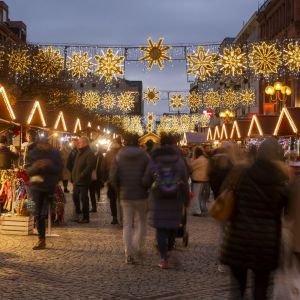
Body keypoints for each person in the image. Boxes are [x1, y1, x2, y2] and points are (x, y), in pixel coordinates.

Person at [220, 138, 290, 299]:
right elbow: (286, 209)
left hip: (240, 238)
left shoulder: (242, 172)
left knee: (238, 287)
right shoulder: (281, 180)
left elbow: (226, 193)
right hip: (266, 242)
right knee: (261, 287)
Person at [143, 134, 189, 269]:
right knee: (173, 225)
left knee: (161, 229)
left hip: (158, 198)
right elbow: (185, 181)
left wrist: (146, 185)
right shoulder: (179, 159)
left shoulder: (155, 158)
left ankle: (164, 258)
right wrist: (186, 199)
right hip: (175, 198)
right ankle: (171, 249)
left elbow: (146, 179)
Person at [110, 133, 149, 264]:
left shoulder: (119, 155)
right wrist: (145, 184)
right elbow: (150, 174)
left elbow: (113, 175)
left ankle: (128, 253)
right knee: (141, 222)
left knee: (127, 224)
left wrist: (119, 188)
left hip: (125, 194)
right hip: (141, 193)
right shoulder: (144, 155)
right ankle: (137, 245)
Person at [26, 135, 63, 250]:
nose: (44, 146)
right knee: (37, 213)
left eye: (46, 144)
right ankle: (41, 239)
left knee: (44, 212)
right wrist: (36, 166)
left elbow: (59, 168)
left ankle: (42, 237)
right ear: (38, 144)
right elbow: (28, 171)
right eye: (42, 144)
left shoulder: (55, 153)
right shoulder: (32, 153)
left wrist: (49, 164)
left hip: (49, 186)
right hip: (36, 187)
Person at [72, 136, 96, 223]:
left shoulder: (89, 153)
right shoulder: (79, 152)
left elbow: (90, 166)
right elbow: (75, 165)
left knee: (84, 198)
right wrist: (73, 175)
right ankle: (78, 213)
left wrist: (82, 174)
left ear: (85, 143)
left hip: (83, 180)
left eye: (80, 142)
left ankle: (86, 217)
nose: (78, 143)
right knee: (75, 196)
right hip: (76, 179)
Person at [101, 138, 122, 224]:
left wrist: (105, 177)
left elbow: (103, 167)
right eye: (113, 142)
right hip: (113, 180)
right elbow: (103, 166)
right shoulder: (110, 154)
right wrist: (105, 177)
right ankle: (115, 217)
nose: (114, 143)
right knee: (114, 200)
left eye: (115, 142)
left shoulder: (122, 153)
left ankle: (118, 217)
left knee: (118, 200)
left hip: (118, 180)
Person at [189, 147, 210, 216]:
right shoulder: (205, 159)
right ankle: (201, 209)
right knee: (200, 195)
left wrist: (192, 159)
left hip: (198, 179)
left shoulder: (198, 160)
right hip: (204, 179)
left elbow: (191, 167)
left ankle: (197, 211)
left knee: (196, 195)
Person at [89, 147, 104, 212]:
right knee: (95, 189)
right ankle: (98, 196)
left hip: (94, 175)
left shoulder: (95, 156)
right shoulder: (101, 156)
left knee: (92, 192)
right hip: (98, 176)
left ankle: (94, 207)